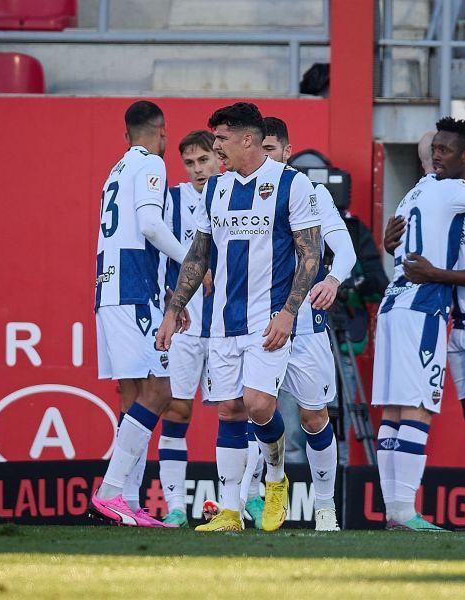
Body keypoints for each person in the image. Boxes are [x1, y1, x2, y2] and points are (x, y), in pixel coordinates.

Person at [156, 102, 322, 533]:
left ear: (248, 140)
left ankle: (276, 477)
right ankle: (229, 512)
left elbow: (311, 254)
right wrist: (175, 311)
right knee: (229, 410)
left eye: (222, 139)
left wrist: (289, 313)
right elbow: (198, 255)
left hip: (269, 320)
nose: (216, 147)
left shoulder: (292, 184)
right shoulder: (215, 189)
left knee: (258, 404)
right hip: (220, 323)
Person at [373, 118, 465, 532]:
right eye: (433, 151)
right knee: (418, 407)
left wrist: (394, 246)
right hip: (426, 306)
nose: (436, 156)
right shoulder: (455, 190)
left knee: (403, 409)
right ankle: (403, 513)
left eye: (443, 150)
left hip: (410, 304)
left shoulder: (413, 193)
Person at [90, 101, 191, 527]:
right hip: (132, 291)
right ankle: (111, 492)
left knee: (133, 396)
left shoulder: (116, 171)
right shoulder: (151, 165)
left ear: (126, 134)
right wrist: (193, 264)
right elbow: (149, 225)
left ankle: (127, 501)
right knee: (160, 392)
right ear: (162, 133)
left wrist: (166, 289)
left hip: (111, 289)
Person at [258, 116, 357, 531]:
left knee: (314, 417)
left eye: (270, 150)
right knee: (254, 410)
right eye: (257, 150)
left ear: (286, 151)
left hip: (306, 326)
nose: (264, 158)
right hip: (255, 326)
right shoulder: (236, 194)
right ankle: (264, 488)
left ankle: (324, 507)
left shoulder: (311, 192)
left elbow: (345, 250)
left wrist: (333, 278)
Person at [155, 130, 219, 528]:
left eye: (204, 160)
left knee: (241, 411)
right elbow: (156, 253)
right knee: (176, 411)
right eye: (190, 163)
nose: (198, 169)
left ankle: (245, 500)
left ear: (220, 157)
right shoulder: (172, 200)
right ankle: (176, 506)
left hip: (229, 324)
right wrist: (167, 299)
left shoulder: (236, 195)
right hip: (184, 323)